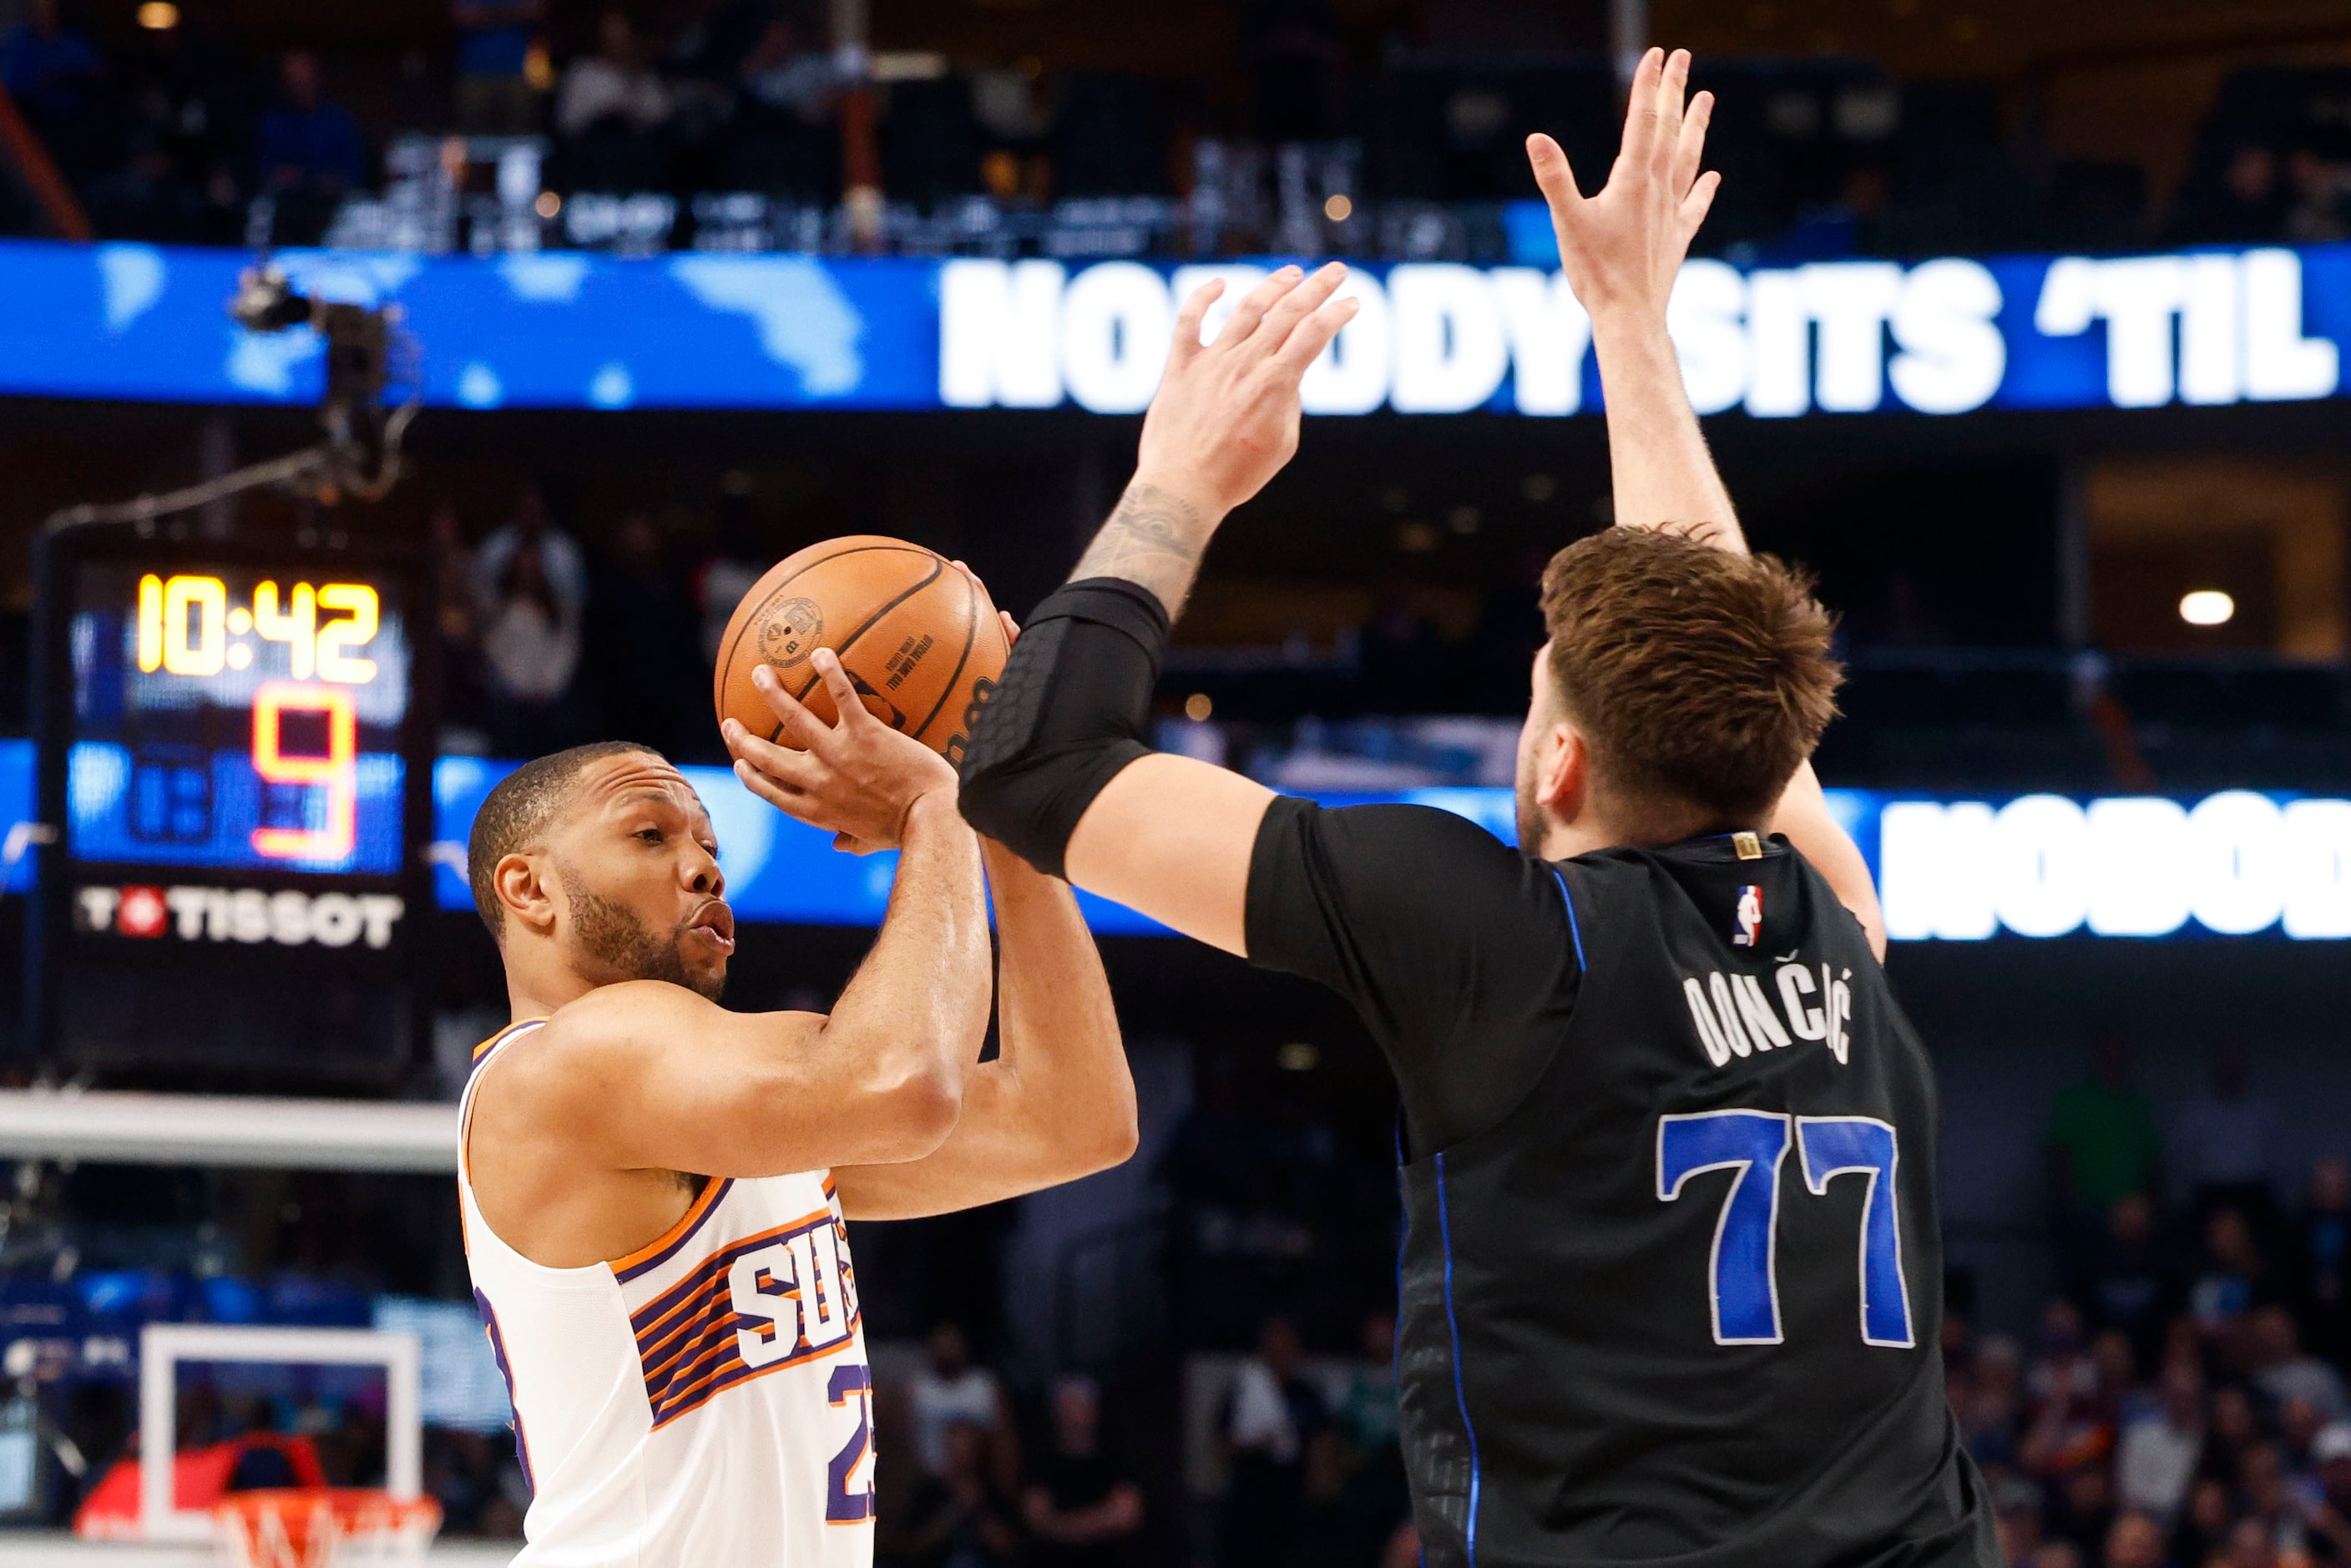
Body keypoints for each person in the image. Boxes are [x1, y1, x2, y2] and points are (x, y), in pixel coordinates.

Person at [958, 47, 1996, 1568]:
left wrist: (1179, 479)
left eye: (1535, 699)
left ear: (1556, 766)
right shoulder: (1833, 921)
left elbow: (1032, 767)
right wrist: (1631, 323)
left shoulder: (1502, 940)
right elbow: (1727, 669)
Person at [458, 620, 1137, 1562]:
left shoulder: (727, 1113)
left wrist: (1004, 813)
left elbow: (1073, 1121)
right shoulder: (570, 1062)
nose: (701, 866)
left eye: (709, 846)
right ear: (529, 891)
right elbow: (905, 1086)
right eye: (648, 835)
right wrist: (934, 806)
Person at [1021, 1376, 1142, 1568]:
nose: (1072, 1417)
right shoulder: (1040, 1465)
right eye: (1065, 1408)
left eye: (1078, 1406)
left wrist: (1063, 1525)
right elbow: (1037, 1520)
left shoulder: (1118, 1463)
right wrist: (1100, 1520)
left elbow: (1127, 1516)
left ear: (1094, 1411)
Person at [2046, 1038, 2163, 1235]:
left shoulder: (2136, 1105)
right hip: (2086, 1208)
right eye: (2109, 1056)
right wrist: (2068, 1199)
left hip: (2131, 1214)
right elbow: (2058, 1151)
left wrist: (2150, 1203)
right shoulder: (2076, 1101)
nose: (2115, 1062)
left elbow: (2152, 1158)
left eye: (2120, 1055)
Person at [908, 1323, 1009, 1481]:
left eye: (951, 1345)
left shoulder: (983, 1385)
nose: (946, 1351)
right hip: (932, 1478)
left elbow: (1005, 1433)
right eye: (941, 1346)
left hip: (984, 1477)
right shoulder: (920, 1388)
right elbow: (908, 1438)